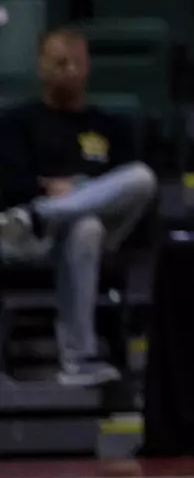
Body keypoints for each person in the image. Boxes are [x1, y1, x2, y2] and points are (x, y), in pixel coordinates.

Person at [0, 28, 158, 387]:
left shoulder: (110, 126)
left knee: (141, 178)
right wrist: (47, 188)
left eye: (77, 63)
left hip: (92, 231)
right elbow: (8, 184)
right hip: (29, 237)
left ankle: (44, 212)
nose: (70, 70)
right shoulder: (16, 122)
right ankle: (77, 360)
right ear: (41, 67)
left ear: (88, 67)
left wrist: (71, 193)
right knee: (85, 226)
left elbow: (125, 188)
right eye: (60, 63)